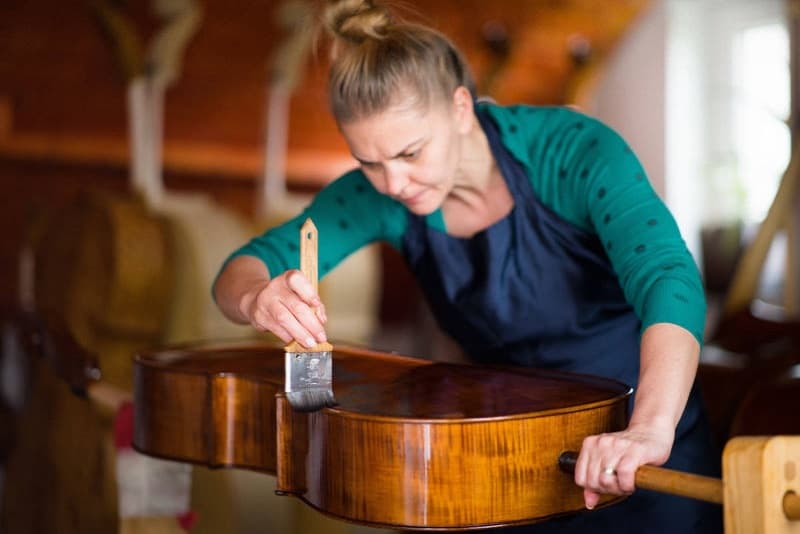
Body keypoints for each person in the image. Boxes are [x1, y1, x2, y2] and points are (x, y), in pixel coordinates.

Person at [213, 1, 723, 532]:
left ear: (460, 108)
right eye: (368, 162)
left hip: (643, 449)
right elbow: (242, 268)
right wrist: (257, 298)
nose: (392, 184)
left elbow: (669, 279)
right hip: (507, 462)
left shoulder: (574, 151)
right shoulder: (377, 195)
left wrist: (648, 429)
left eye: (410, 153)